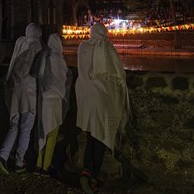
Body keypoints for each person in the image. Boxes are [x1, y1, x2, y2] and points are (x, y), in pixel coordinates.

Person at [75, 23, 131, 194]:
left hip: (85, 98)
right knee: (100, 137)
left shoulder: (83, 47)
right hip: (101, 99)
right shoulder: (106, 47)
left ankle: (86, 170)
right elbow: (119, 73)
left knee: (91, 136)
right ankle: (91, 176)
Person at [0, 23, 43, 175]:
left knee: (14, 126)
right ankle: (19, 162)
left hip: (15, 90)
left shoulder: (20, 43)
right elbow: (37, 71)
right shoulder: (37, 46)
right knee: (26, 128)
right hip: (29, 92)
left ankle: (2, 156)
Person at [34, 33, 72, 177]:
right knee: (52, 133)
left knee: (42, 131)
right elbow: (65, 79)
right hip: (55, 100)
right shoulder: (60, 60)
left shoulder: (43, 57)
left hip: (44, 99)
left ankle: (38, 163)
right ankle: (45, 166)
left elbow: (38, 75)